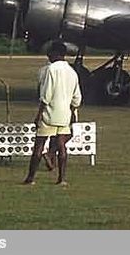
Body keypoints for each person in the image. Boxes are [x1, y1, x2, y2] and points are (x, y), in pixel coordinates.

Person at [23, 41, 82, 186]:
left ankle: (30, 178)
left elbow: (46, 95)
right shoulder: (72, 72)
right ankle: (61, 179)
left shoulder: (51, 70)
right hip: (64, 114)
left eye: (50, 52)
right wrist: (72, 112)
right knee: (62, 146)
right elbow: (77, 98)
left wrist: (38, 115)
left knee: (39, 146)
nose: (48, 55)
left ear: (56, 53)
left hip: (49, 113)